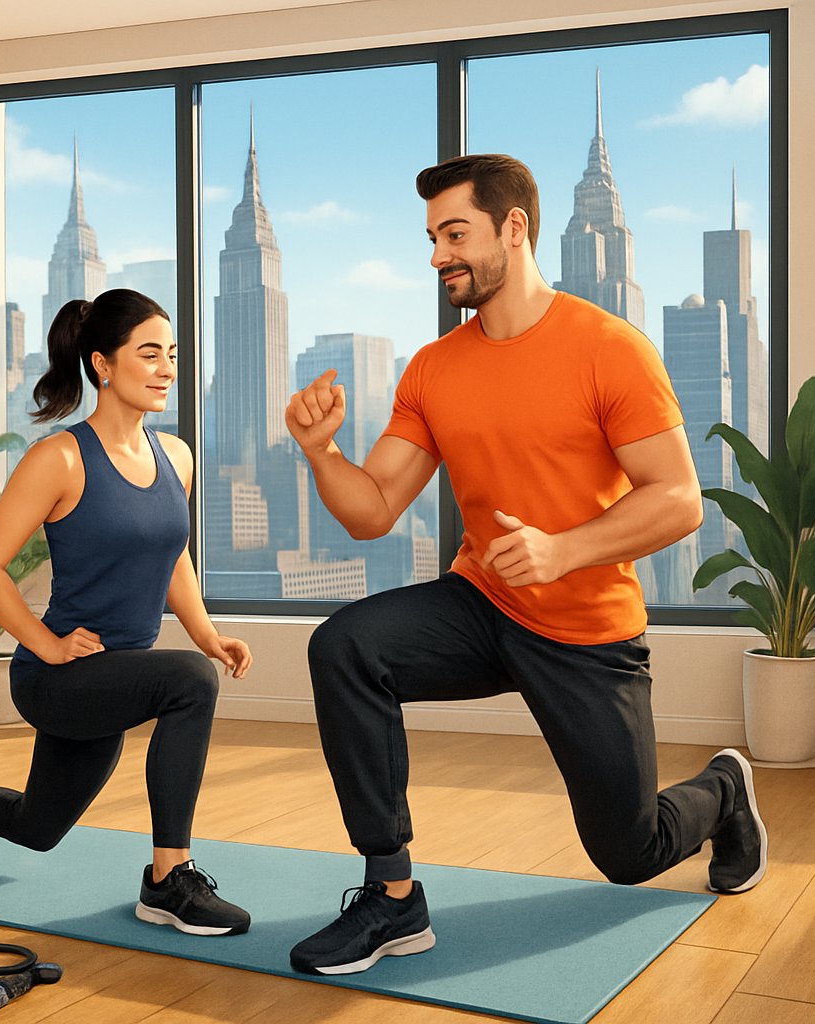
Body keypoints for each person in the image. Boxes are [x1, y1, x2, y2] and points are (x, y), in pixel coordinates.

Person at [284, 155, 767, 976]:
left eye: (455, 233)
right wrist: (321, 450)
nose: (438, 254)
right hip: (482, 604)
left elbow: (680, 500)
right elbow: (371, 512)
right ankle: (393, 899)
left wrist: (562, 549)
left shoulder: (609, 348)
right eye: (433, 237)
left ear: (516, 227)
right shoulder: (435, 368)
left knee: (631, 851)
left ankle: (723, 791)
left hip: (585, 631)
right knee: (345, 646)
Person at [0, 288, 253, 937]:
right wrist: (49, 644)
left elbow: (172, 555)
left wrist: (207, 634)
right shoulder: (59, 458)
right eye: (149, 353)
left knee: (38, 828)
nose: (167, 367)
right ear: (103, 364)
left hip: (114, 674)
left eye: (171, 354)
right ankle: (169, 880)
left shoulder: (176, 457)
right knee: (189, 685)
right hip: (55, 677)